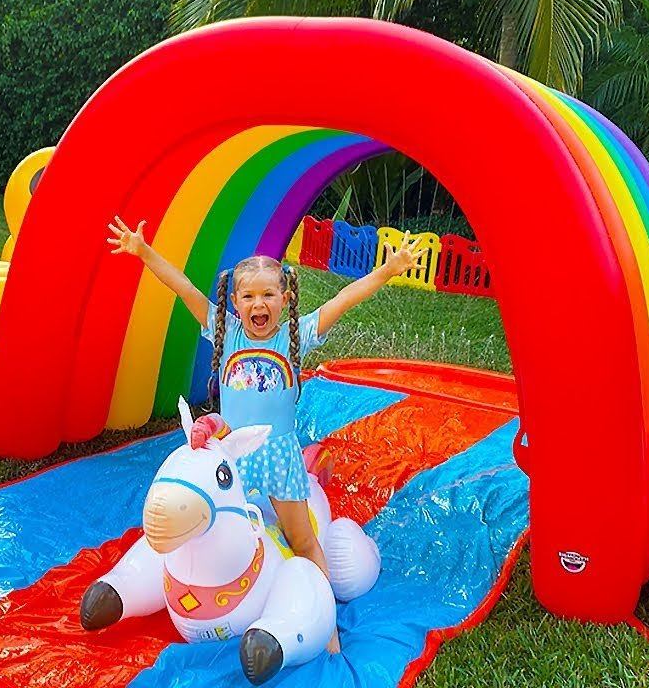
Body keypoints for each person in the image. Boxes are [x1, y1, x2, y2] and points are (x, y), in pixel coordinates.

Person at [107, 216, 424, 652]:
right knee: (222, 530)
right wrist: (144, 253)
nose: (260, 303)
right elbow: (184, 289)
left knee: (303, 541)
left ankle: (324, 622)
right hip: (231, 458)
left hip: (277, 457)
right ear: (235, 302)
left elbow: (343, 299)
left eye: (269, 294)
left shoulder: (297, 336)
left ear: (285, 298)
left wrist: (386, 271)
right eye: (249, 296)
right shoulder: (226, 331)